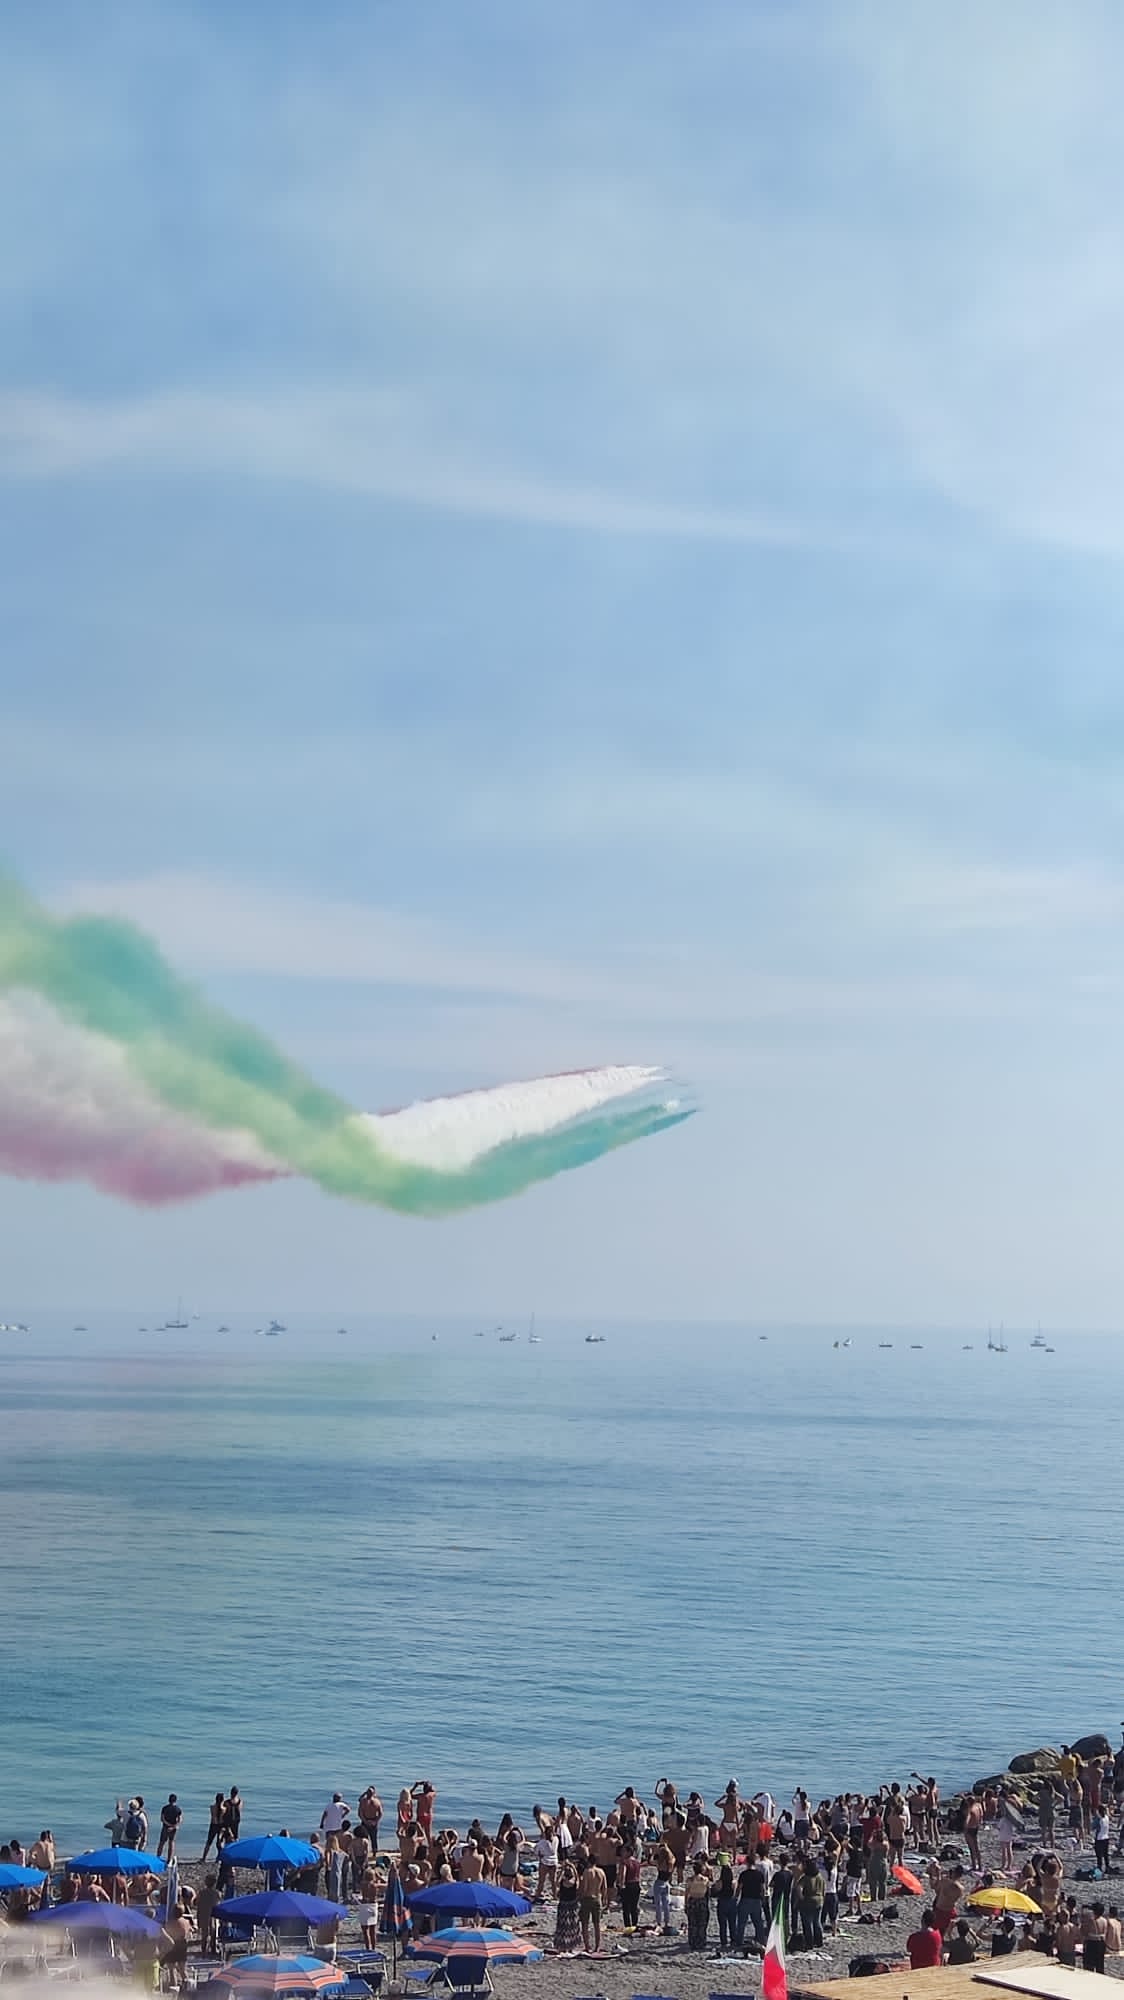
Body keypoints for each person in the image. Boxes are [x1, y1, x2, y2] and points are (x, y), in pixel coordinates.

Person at [578, 1856, 608, 1953]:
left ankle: (587, 1946)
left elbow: (585, 1887)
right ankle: (597, 1946)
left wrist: (580, 1896)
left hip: (587, 1898)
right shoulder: (601, 1872)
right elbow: (604, 1887)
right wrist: (604, 1898)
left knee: (585, 1924)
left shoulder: (587, 1872)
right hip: (597, 1898)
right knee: (597, 1924)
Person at [685, 1856, 712, 1951]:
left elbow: (687, 1893)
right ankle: (701, 1942)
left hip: (692, 1901)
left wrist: (686, 1904)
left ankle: (693, 1942)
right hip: (702, 1901)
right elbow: (708, 1893)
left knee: (692, 1923)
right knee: (702, 1924)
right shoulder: (705, 1880)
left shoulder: (690, 1880)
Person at [554, 1859, 582, 1952]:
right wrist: (573, 1867)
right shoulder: (574, 1882)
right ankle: (571, 1946)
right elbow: (577, 1878)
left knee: (563, 1926)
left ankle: (562, 1946)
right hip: (572, 1906)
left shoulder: (563, 1882)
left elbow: (556, 1881)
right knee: (572, 1926)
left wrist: (562, 1869)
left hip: (563, 1905)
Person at [619, 1840, 643, 1934]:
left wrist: (621, 1884)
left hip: (628, 1884)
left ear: (629, 1852)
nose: (622, 1853)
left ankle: (628, 1927)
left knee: (626, 1908)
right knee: (634, 1907)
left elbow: (623, 1874)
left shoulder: (625, 1862)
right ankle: (635, 1925)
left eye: (624, 1851)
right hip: (636, 1884)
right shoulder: (637, 1862)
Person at [196, 1875, 220, 1956]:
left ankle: (204, 1950)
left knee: (204, 1934)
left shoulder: (201, 1893)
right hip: (213, 1915)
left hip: (204, 1914)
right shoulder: (216, 1893)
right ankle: (213, 1949)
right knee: (213, 1932)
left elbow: (198, 1904)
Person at [202, 1793, 226, 1861]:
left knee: (209, 1842)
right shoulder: (224, 1809)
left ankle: (204, 1858)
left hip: (213, 1825)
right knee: (219, 1842)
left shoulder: (212, 1807)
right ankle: (219, 1858)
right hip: (221, 1826)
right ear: (222, 1800)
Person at [157, 1794, 182, 1861]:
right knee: (171, 1842)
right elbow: (180, 1820)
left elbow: (162, 1819)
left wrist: (168, 1825)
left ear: (169, 1800)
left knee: (162, 1842)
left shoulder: (165, 1808)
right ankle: (169, 1859)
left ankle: (158, 1857)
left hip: (165, 1827)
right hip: (173, 1828)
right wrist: (173, 1826)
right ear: (175, 1800)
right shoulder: (178, 1809)